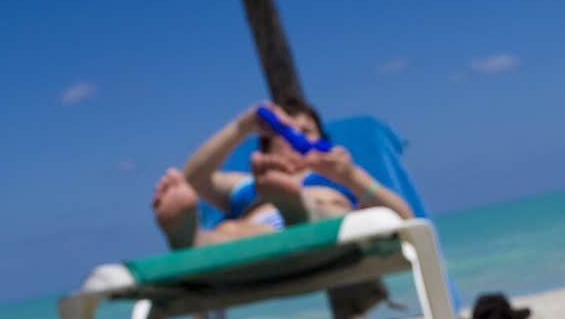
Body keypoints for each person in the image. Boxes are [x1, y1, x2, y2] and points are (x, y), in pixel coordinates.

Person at [152, 99, 413, 250]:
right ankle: (192, 239)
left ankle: (300, 211)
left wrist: (352, 176)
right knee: (233, 230)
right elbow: (192, 179)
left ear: (323, 140)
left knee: (326, 210)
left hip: (330, 229)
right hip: (261, 235)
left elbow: (404, 219)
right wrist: (241, 127)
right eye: (287, 130)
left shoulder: (337, 174)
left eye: (306, 130)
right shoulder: (247, 183)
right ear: (267, 143)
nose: (297, 137)